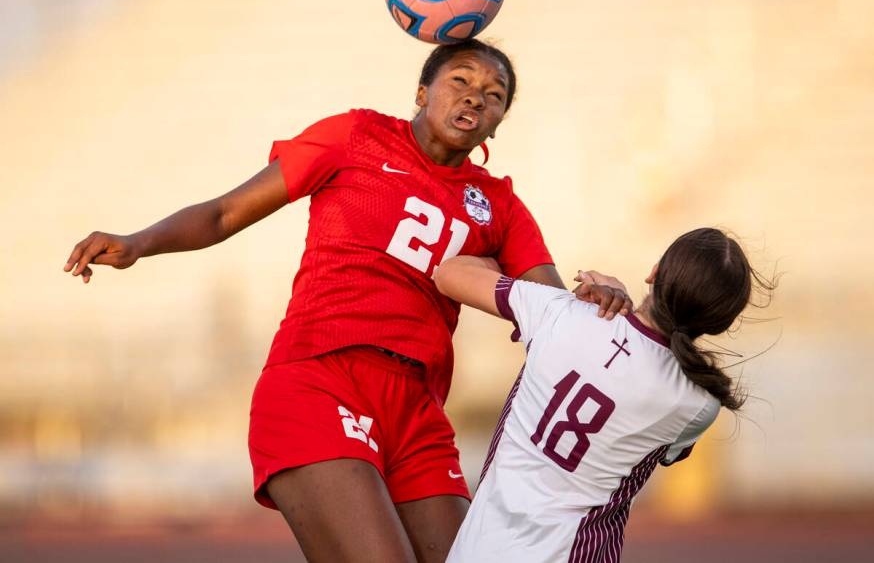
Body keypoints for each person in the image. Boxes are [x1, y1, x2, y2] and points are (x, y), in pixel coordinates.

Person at [63, 39, 632, 563]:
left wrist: (600, 295)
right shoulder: (353, 136)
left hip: (417, 412)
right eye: (459, 80)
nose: (474, 98)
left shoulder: (500, 206)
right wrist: (139, 243)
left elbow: (554, 315)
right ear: (421, 92)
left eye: (493, 95)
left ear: (500, 121)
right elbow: (223, 213)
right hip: (319, 380)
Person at [434, 227, 775, 563]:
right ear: (720, 323)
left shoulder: (560, 311)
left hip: (479, 550)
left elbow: (448, 273)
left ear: (654, 272)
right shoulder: (698, 403)